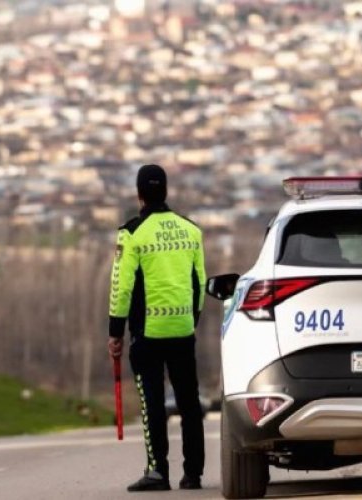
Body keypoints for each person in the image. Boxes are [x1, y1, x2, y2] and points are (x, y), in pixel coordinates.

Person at [108, 164, 206, 492]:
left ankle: (157, 471)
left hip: (147, 333)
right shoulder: (191, 230)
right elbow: (200, 282)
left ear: (139, 194)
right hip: (182, 327)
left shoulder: (132, 232)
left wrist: (115, 332)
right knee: (189, 403)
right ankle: (193, 474)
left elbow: (121, 287)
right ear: (165, 191)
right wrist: (194, 318)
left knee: (152, 402)